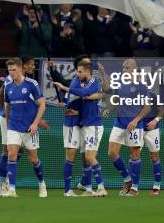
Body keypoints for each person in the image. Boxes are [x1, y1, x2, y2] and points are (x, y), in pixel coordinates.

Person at [56, 62, 106, 196]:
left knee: (88, 157)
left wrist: (65, 88)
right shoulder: (75, 82)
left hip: (88, 124)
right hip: (73, 123)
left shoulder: (92, 82)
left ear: (87, 72)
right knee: (73, 156)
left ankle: (94, 187)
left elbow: (86, 93)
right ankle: (70, 190)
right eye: (77, 72)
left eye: (79, 72)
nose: (77, 74)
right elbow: (73, 104)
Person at [0, 58, 47, 198]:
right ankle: (12, 190)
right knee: (12, 155)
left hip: (29, 128)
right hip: (14, 127)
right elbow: (7, 107)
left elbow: (42, 105)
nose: (12, 72)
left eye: (14, 69)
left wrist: (35, 124)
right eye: (9, 70)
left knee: (33, 159)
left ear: (20, 69)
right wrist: (8, 126)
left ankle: (42, 184)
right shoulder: (8, 87)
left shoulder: (32, 84)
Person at [106, 59, 152, 196]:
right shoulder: (119, 84)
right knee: (112, 153)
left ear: (135, 69)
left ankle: (135, 188)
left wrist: (136, 120)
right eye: (123, 67)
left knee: (134, 155)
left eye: (127, 67)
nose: (125, 70)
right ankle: (127, 179)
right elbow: (116, 101)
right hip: (119, 122)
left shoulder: (141, 86)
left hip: (135, 124)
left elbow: (147, 107)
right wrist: (109, 109)